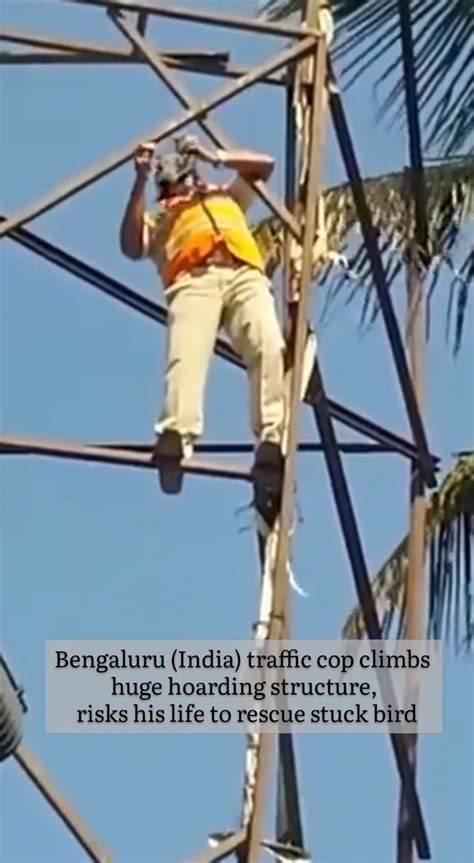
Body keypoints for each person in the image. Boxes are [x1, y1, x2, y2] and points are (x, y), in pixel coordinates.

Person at [119, 134, 285, 522]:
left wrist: (215, 156)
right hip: (193, 280)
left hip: (243, 272)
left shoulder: (224, 198)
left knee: (268, 345)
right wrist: (140, 179)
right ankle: (177, 435)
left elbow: (264, 165)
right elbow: (130, 245)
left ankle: (271, 437)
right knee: (186, 357)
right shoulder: (161, 218)